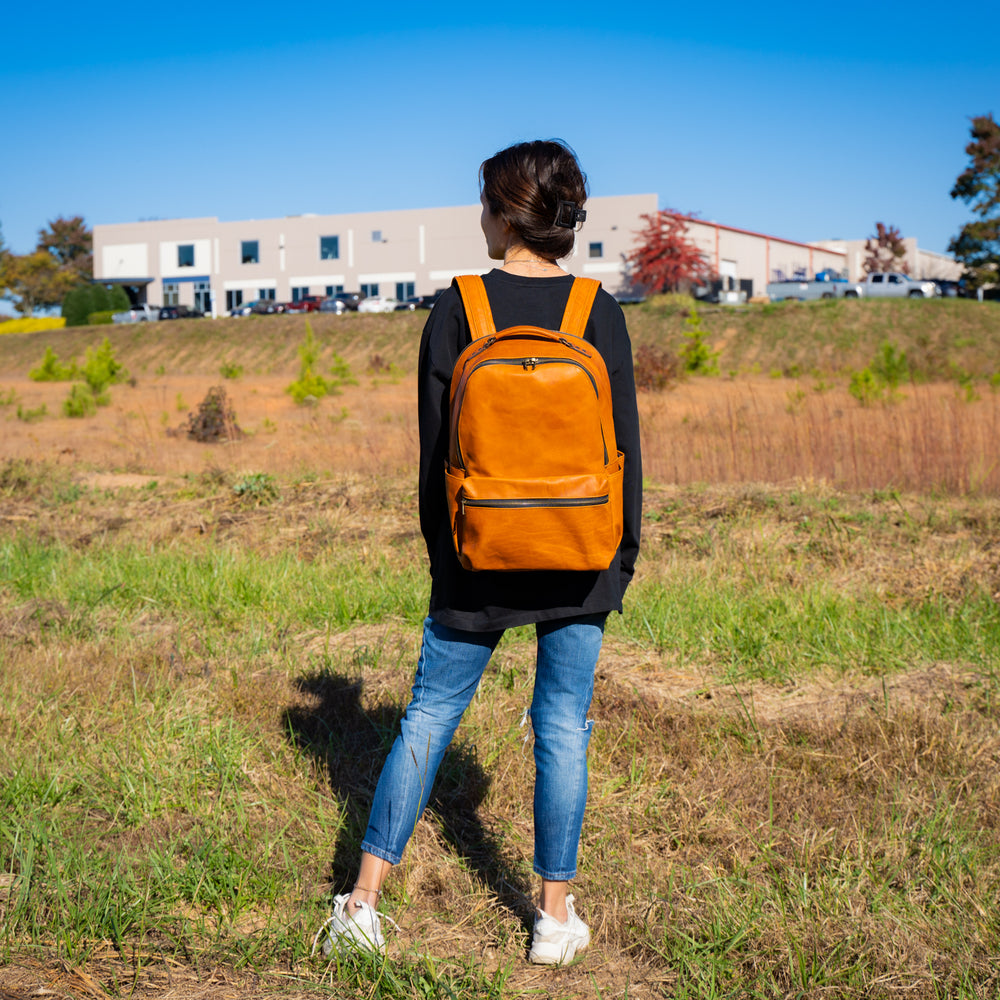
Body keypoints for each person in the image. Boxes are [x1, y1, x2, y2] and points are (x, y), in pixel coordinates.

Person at [315, 139, 642, 966]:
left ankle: (360, 906)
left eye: (483, 201)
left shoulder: (457, 307)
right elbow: (626, 451)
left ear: (505, 211)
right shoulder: (597, 311)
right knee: (563, 727)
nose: (480, 215)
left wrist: (447, 560)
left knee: (428, 715)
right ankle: (553, 919)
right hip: (581, 549)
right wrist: (620, 558)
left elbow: (435, 460)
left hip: (477, 552)